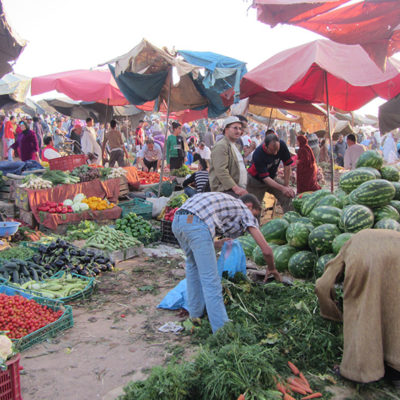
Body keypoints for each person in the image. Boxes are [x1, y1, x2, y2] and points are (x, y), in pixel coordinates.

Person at [172, 192, 280, 333]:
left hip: (180, 220)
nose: (253, 220)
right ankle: (222, 330)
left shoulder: (227, 203)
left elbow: (195, 228)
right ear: (249, 206)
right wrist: (272, 268)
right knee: (211, 280)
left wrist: (216, 244)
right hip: (197, 224)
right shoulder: (244, 210)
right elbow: (266, 250)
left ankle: (195, 315)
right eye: (255, 214)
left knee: (193, 268)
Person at [316, 229, 400, 386]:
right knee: (394, 309)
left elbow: (322, 285)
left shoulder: (350, 246)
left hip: (366, 258)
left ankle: (357, 371)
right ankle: (395, 371)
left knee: (361, 310)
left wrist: (333, 314)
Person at [247, 132, 295, 212]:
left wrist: (286, 186)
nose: (276, 153)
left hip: (272, 177)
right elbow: (265, 179)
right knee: (255, 208)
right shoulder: (258, 154)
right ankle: (254, 224)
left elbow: (287, 165)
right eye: (273, 151)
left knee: (287, 196)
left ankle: (292, 221)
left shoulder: (282, 145)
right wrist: (282, 188)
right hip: (255, 181)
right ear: (265, 147)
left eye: (277, 150)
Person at [209, 116, 248, 197]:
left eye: (240, 128)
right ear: (226, 129)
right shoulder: (221, 146)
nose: (238, 131)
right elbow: (221, 170)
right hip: (225, 191)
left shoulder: (235, 145)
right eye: (235, 128)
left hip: (234, 190)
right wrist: (236, 188)